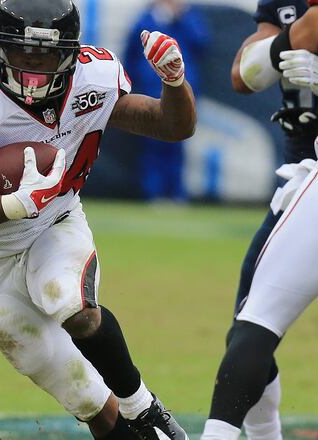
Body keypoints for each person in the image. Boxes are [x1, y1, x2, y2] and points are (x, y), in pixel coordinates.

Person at [0, 0, 196, 439]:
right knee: (84, 396)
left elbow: (170, 126)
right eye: (23, 53)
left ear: (71, 52)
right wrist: (10, 205)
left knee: (71, 304)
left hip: (53, 222)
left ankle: (143, 408)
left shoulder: (93, 78)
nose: (34, 69)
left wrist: (174, 83)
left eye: (46, 55)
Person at [201, 5, 318, 440]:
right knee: (252, 322)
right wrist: (282, 47)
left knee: (256, 320)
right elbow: (243, 74)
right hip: (304, 173)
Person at [123, 0, 208, 202]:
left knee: (178, 143)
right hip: (151, 89)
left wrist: (181, 19)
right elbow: (131, 55)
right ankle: (153, 192)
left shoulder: (189, 17)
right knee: (153, 143)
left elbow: (202, 43)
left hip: (183, 90)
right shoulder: (145, 19)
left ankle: (176, 192)